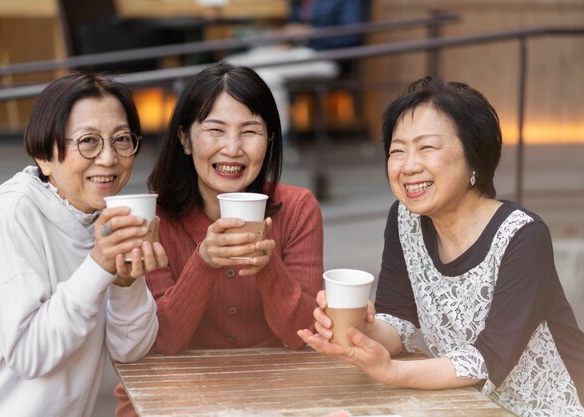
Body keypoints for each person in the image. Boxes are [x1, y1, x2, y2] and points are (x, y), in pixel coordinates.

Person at [298, 76, 584, 417]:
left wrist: (392, 372)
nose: (408, 166)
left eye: (427, 147)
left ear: (474, 157)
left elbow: (488, 359)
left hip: (553, 407)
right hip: (465, 404)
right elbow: (400, 324)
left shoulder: (523, 236)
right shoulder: (404, 219)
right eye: (397, 151)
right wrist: (357, 329)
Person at [114, 61, 324, 417]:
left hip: (270, 395)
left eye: (250, 131)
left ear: (270, 139)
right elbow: (162, 341)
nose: (232, 148)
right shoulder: (154, 218)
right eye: (215, 130)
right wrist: (204, 262)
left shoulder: (299, 207)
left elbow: (302, 334)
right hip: (168, 396)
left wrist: (266, 262)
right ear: (184, 138)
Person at [0, 72, 168, 417]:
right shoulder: (13, 213)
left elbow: (130, 351)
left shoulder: (101, 219)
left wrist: (125, 282)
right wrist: (99, 266)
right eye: (88, 141)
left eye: (121, 139)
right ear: (44, 155)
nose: (108, 158)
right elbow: (30, 354)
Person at [227, 0, 367, 137]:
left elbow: (352, 35)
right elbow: (296, 27)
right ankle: (269, 140)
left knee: (260, 73)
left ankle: (275, 140)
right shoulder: (296, 3)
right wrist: (288, 36)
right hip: (299, 51)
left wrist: (311, 33)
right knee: (234, 65)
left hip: (328, 58)